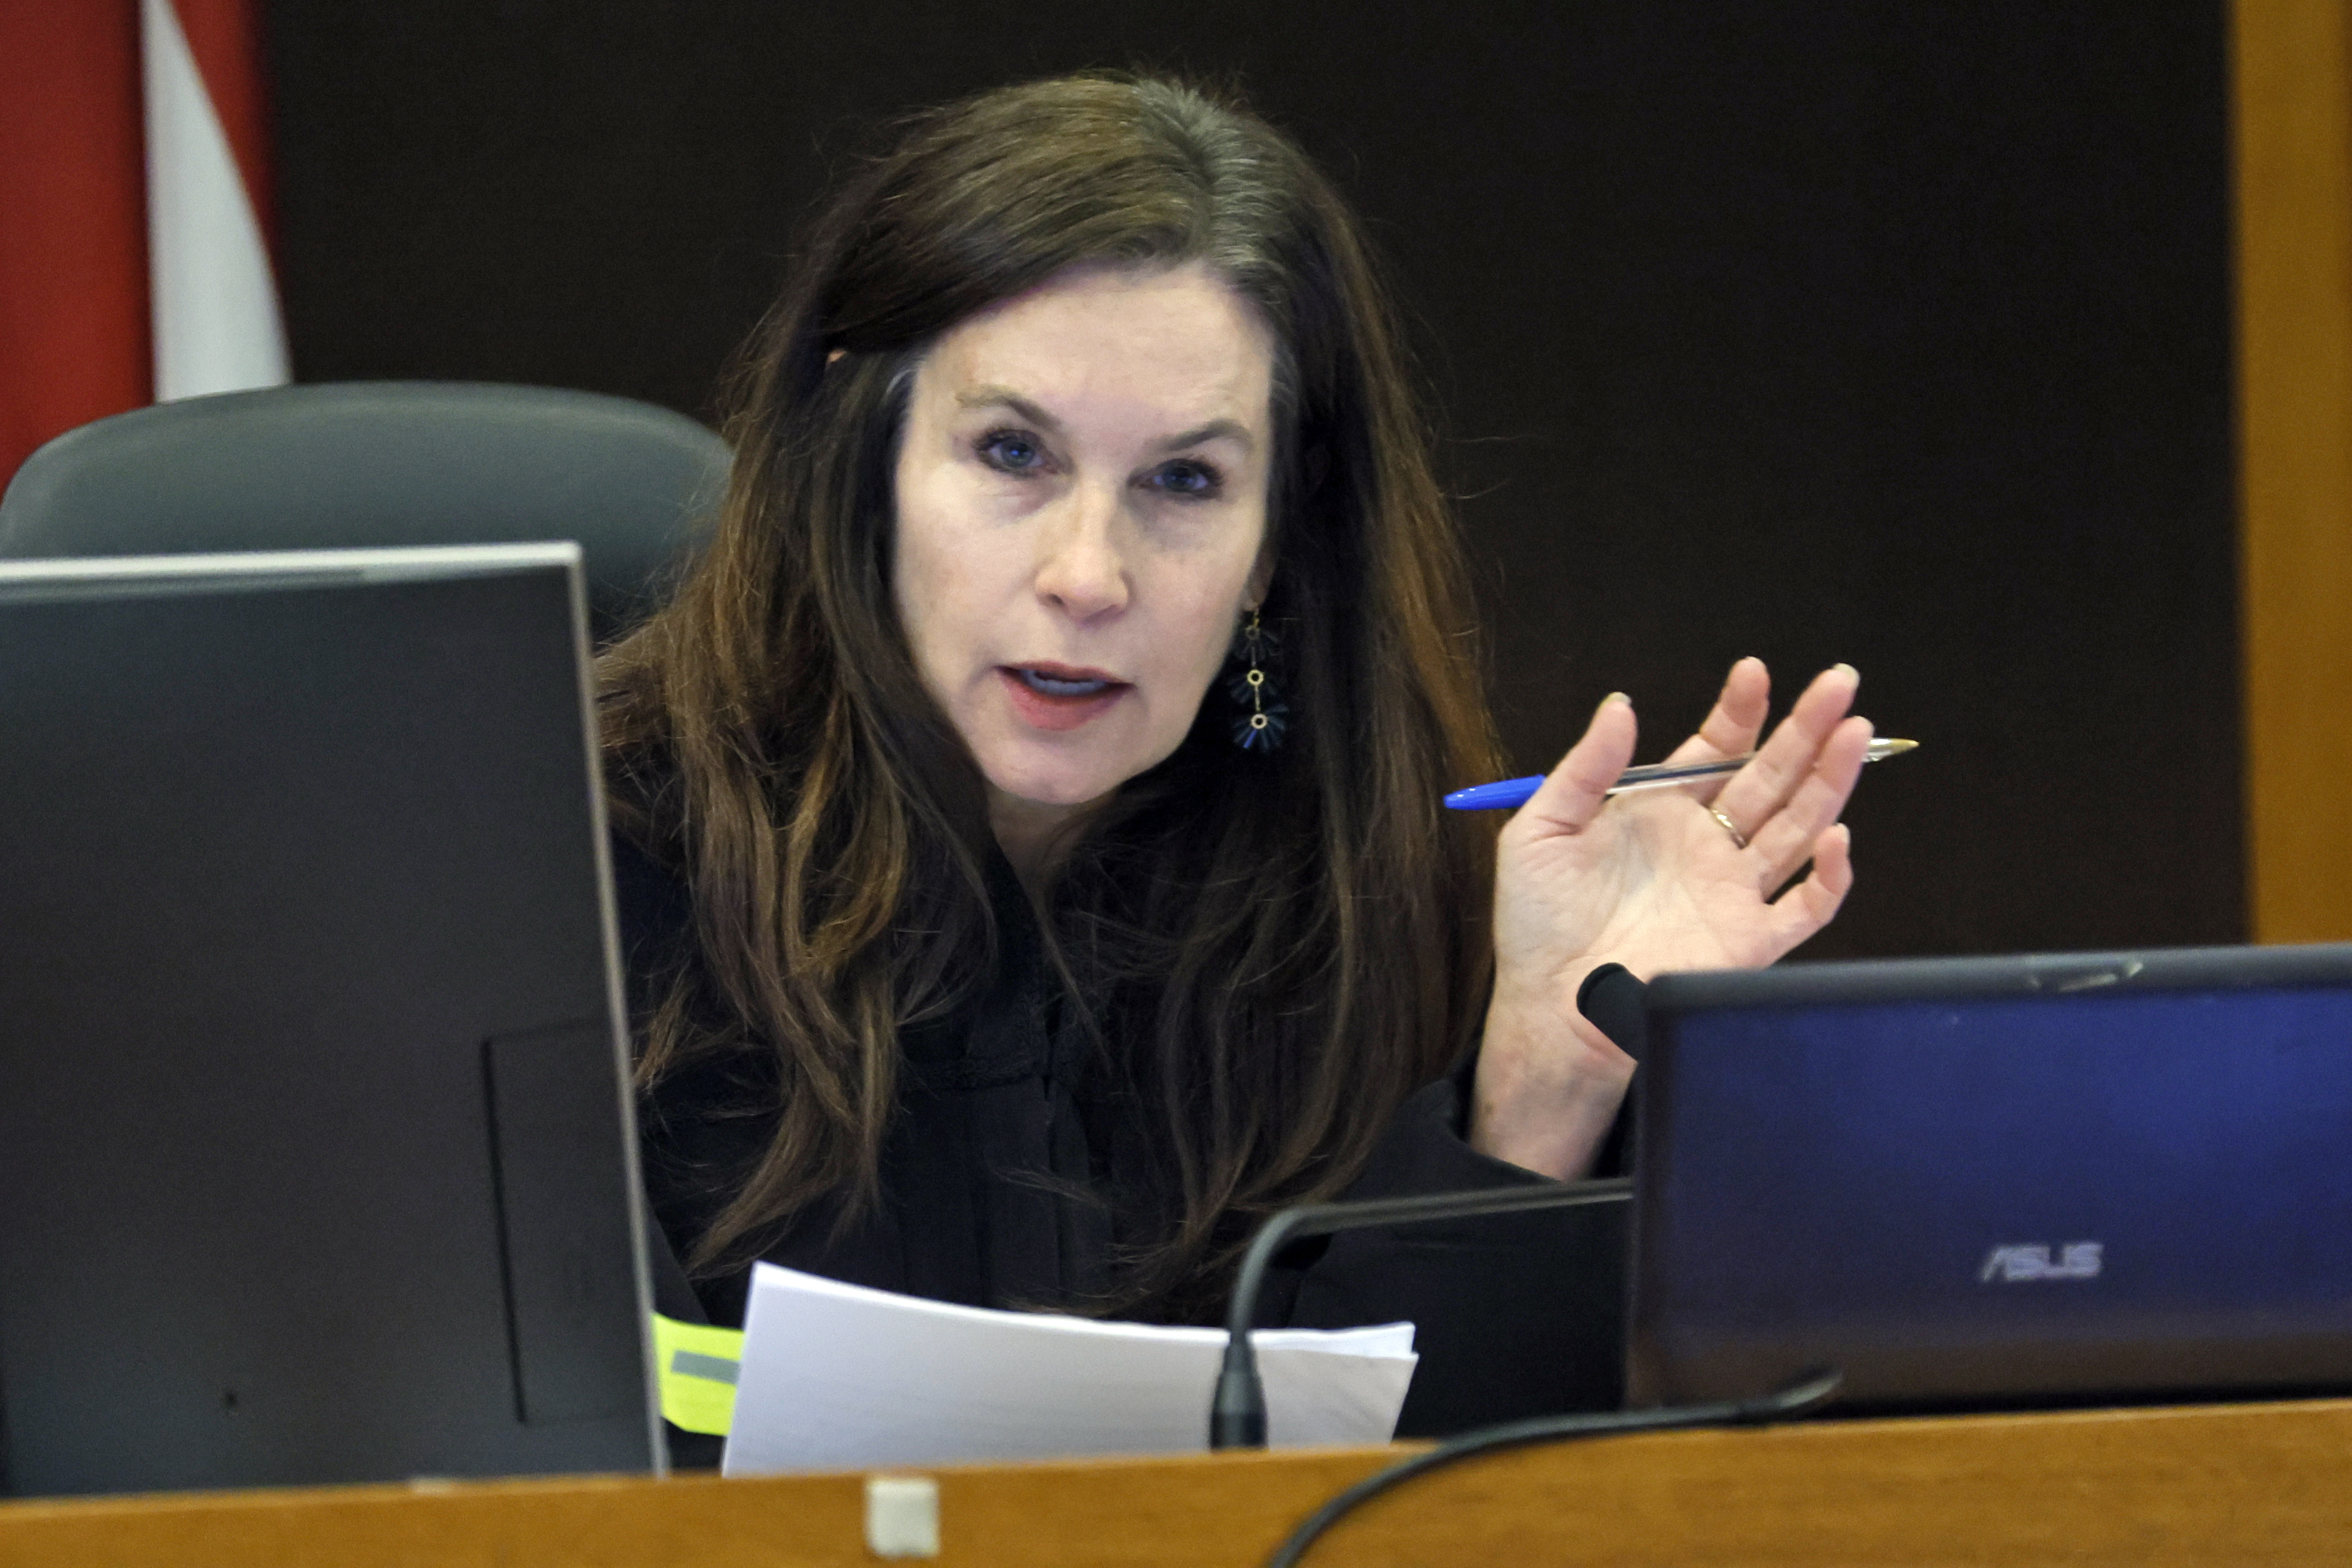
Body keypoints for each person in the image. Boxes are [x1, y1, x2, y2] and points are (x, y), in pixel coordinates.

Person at [596, 72, 1873, 1439]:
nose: (1089, 575)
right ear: (862, 457)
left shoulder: (1371, 880)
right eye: (1013, 452)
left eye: (1185, 482)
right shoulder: (575, 878)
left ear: (1277, 543)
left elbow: (1423, 1490)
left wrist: (1541, 1082)